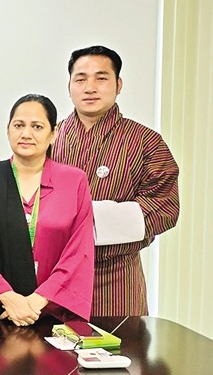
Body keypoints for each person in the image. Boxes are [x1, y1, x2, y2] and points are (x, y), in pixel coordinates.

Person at [51, 45, 179, 316]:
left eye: (101, 78)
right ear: (69, 86)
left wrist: (82, 220)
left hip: (117, 278)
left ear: (118, 85)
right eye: (80, 79)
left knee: (122, 343)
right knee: (50, 343)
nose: (90, 88)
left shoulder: (146, 141)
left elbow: (165, 207)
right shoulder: (49, 138)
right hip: (53, 276)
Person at [0, 94, 94, 326]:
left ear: (53, 133)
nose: (26, 133)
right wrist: (8, 297)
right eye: (18, 125)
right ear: (8, 130)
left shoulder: (74, 181)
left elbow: (79, 251)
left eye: (37, 126)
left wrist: (36, 301)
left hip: (53, 312)